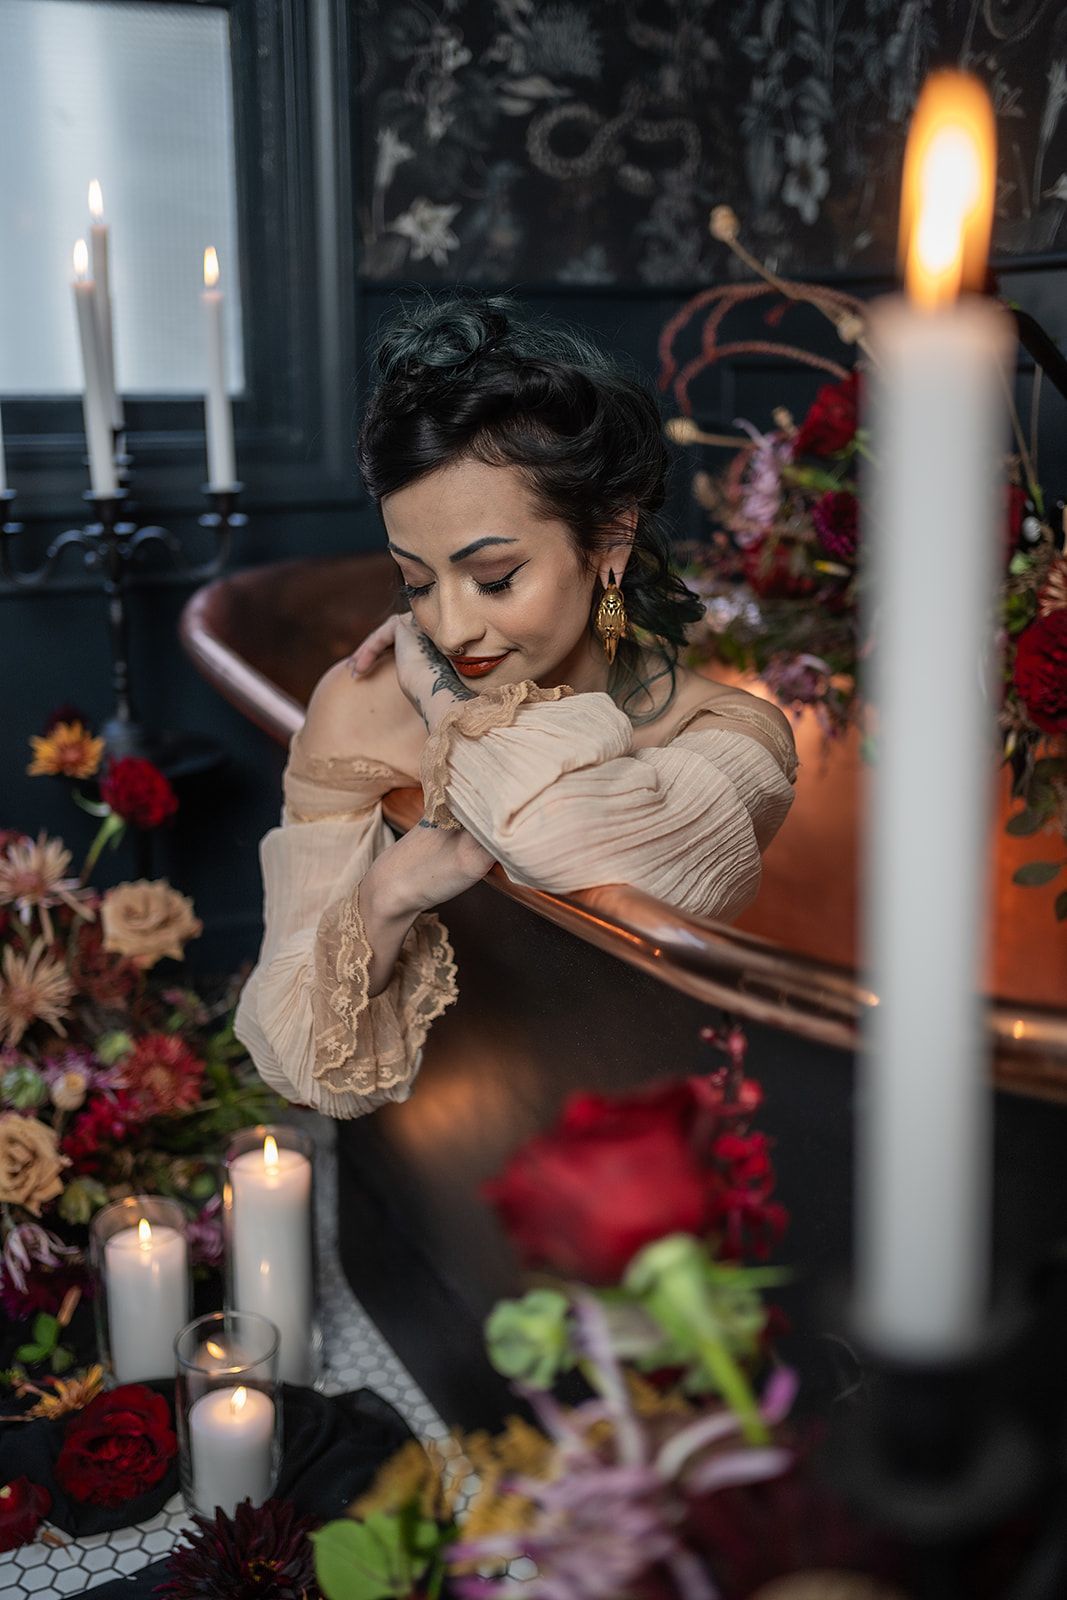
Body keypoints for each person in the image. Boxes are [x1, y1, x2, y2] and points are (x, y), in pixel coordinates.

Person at [233, 294, 798, 1119]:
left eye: (494, 578)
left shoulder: (730, 733)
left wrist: (434, 688)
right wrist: (388, 892)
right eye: (417, 584)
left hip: (670, 1163)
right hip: (448, 1156)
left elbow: (544, 831)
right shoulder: (358, 709)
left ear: (608, 540)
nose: (451, 627)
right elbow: (296, 1057)